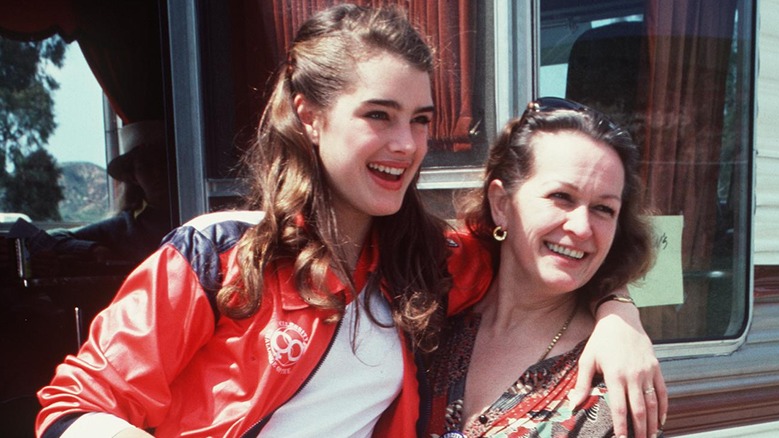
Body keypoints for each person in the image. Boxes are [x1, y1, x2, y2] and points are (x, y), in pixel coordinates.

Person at [36, 6, 663, 438]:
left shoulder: (432, 263)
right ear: (309, 116)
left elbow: (550, 246)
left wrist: (619, 316)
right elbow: (75, 405)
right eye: (378, 115)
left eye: (420, 119)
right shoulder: (217, 254)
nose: (406, 144)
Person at [424, 97, 664, 437]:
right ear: (502, 204)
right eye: (561, 197)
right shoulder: (430, 315)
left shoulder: (615, 380)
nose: (582, 227)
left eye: (603, 209)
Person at [13, 119, 172, 272]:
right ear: (133, 176)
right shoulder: (124, 226)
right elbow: (49, 240)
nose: (158, 173)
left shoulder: (193, 217)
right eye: (146, 166)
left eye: (164, 162)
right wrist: (93, 249)